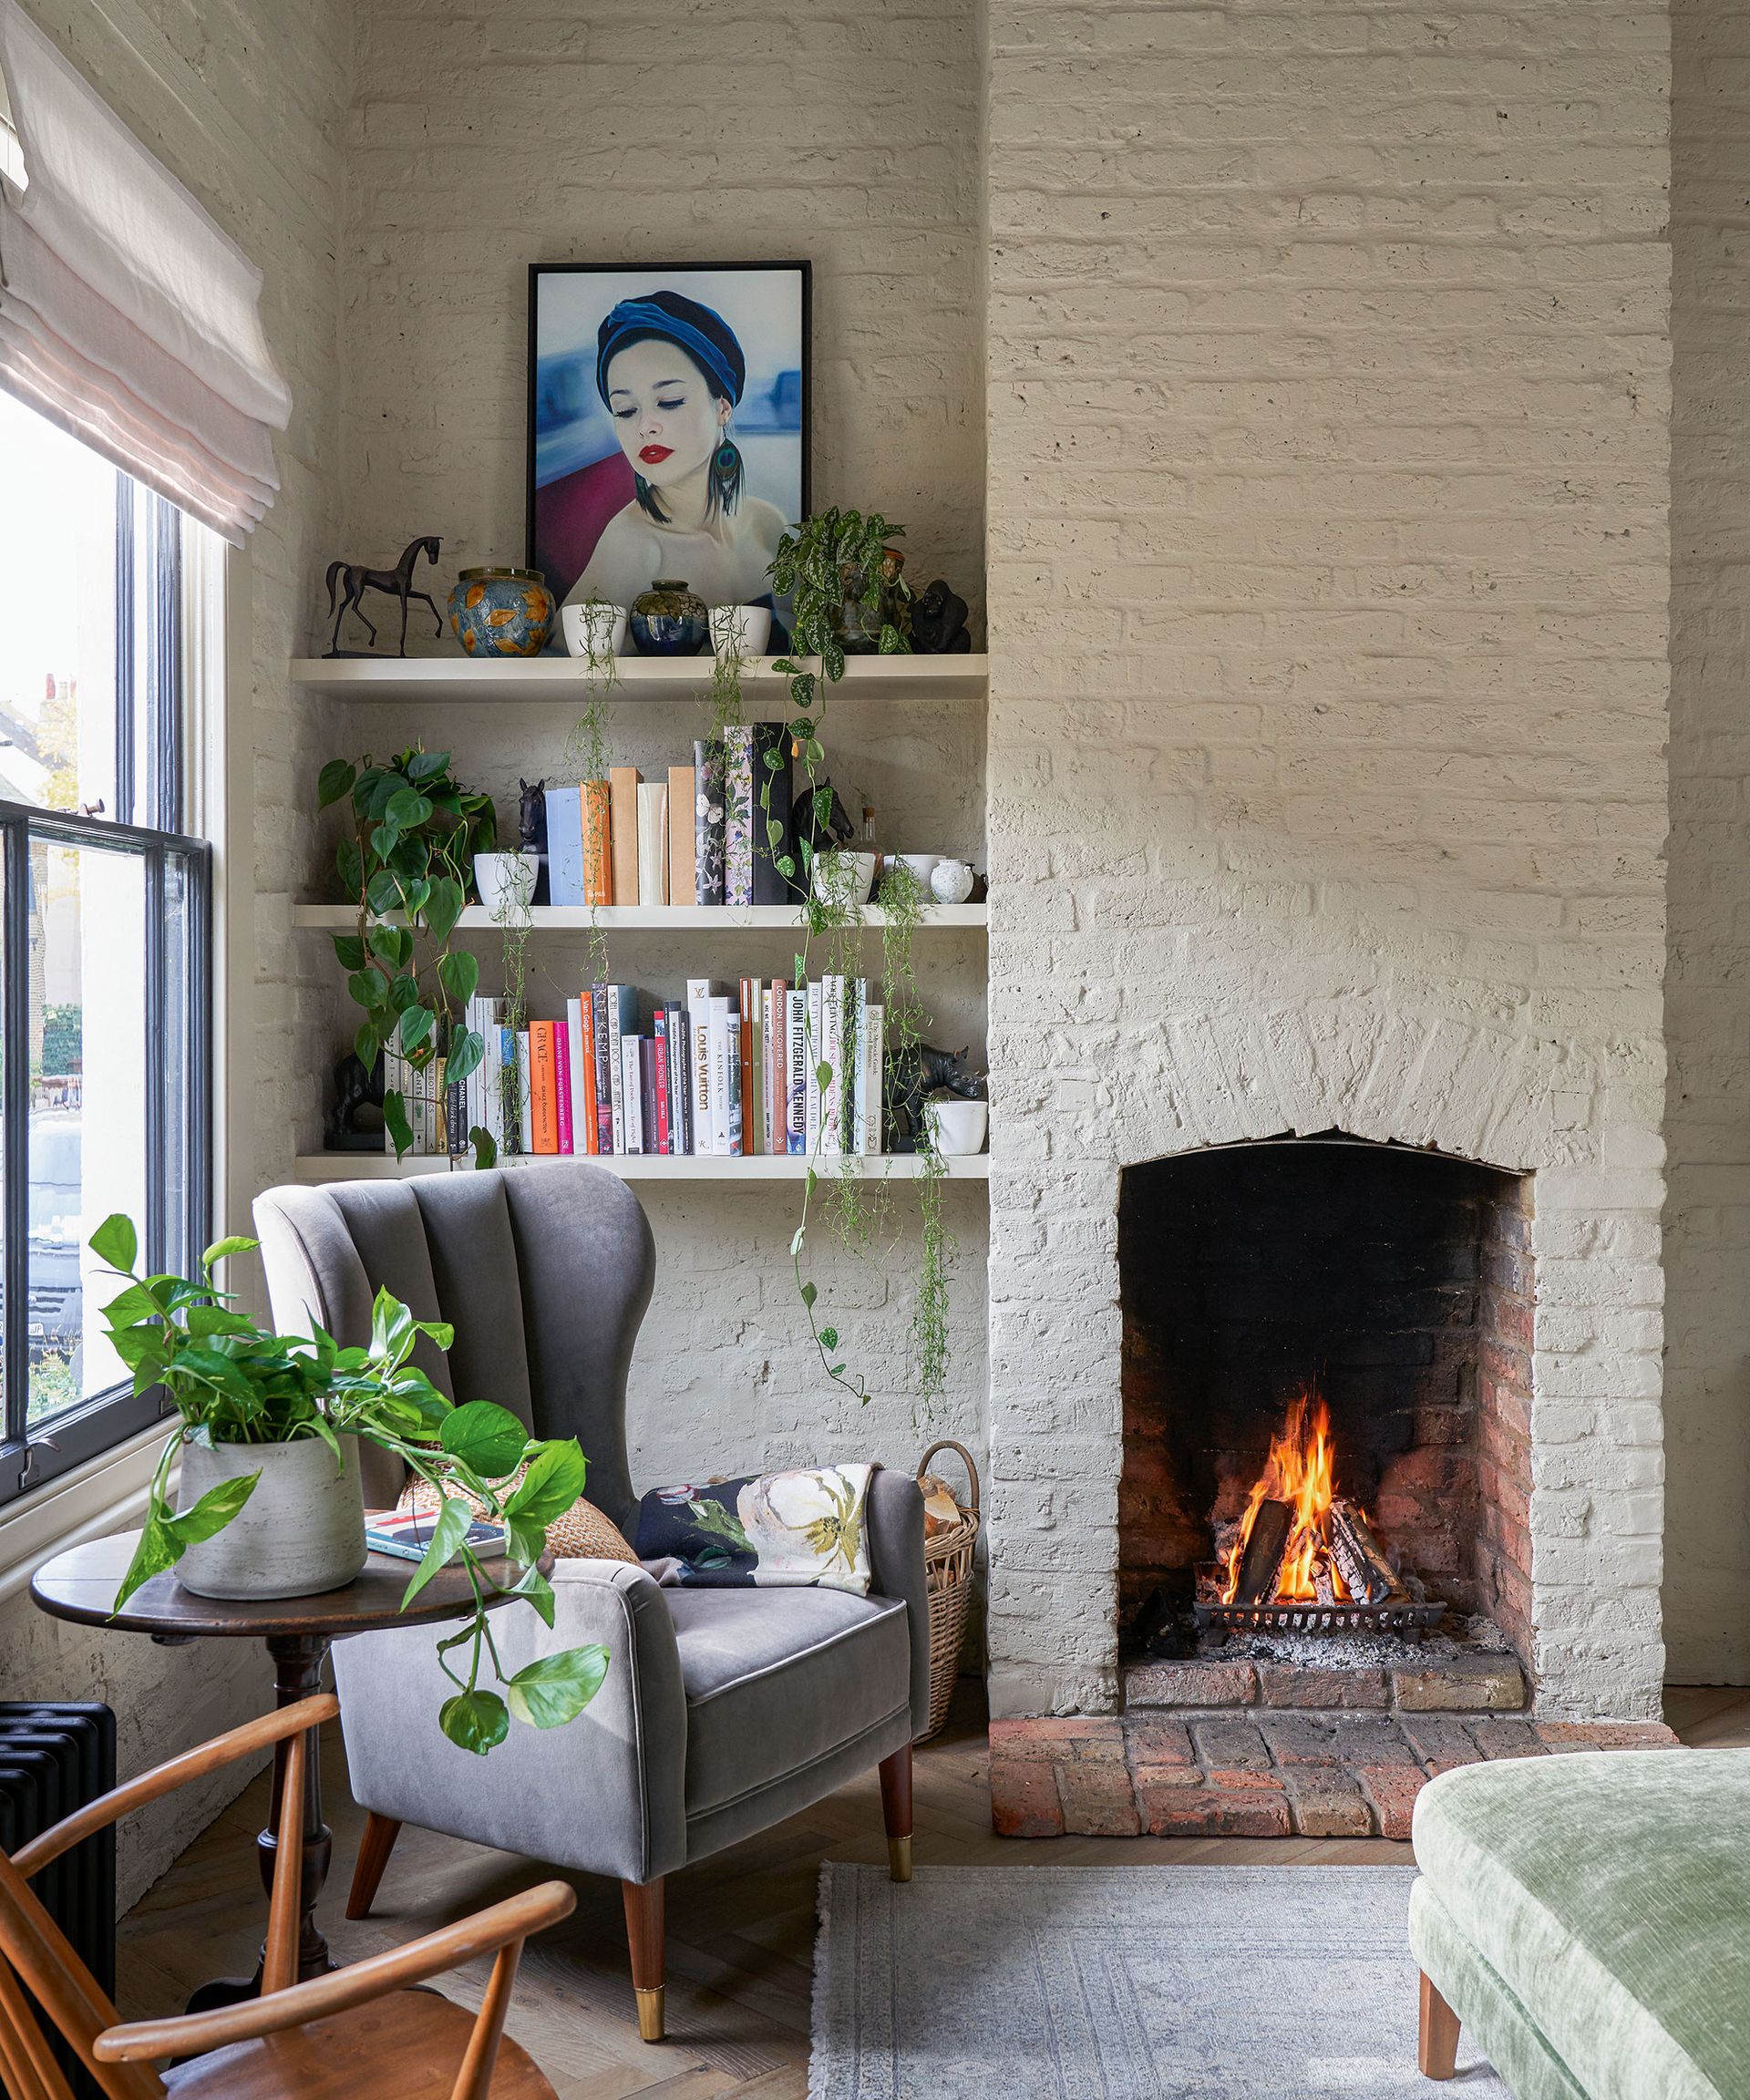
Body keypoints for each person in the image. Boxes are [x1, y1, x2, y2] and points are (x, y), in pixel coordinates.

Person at [553, 290, 788, 612]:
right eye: (624, 410)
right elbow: (558, 660)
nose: (645, 426)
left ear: (722, 408)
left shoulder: (768, 524)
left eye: (670, 401)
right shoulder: (631, 544)